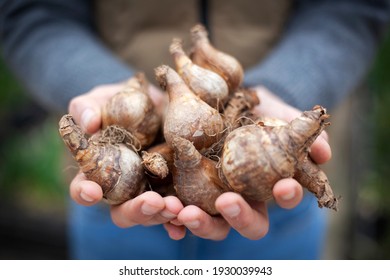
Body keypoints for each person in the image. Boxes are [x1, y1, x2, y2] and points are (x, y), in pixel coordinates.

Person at [1, 0, 388, 259]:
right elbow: (30, 11)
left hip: (276, 204)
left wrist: (284, 88)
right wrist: (101, 85)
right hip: (114, 208)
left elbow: (353, 6)